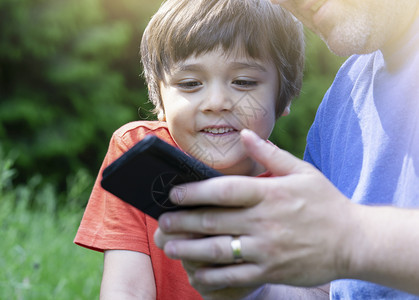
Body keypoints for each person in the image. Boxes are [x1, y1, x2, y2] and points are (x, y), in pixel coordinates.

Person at [154, 0, 419, 299]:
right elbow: (325, 291)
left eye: (243, 81)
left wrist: (350, 238)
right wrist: (254, 291)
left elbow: (341, 242)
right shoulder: (343, 97)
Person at [73, 0, 305, 299]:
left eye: (244, 81)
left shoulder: (299, 195)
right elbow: (126, 290)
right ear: (160, 100)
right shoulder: (139, 156)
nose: (216, 102)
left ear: (283, 97)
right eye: (191, 83)